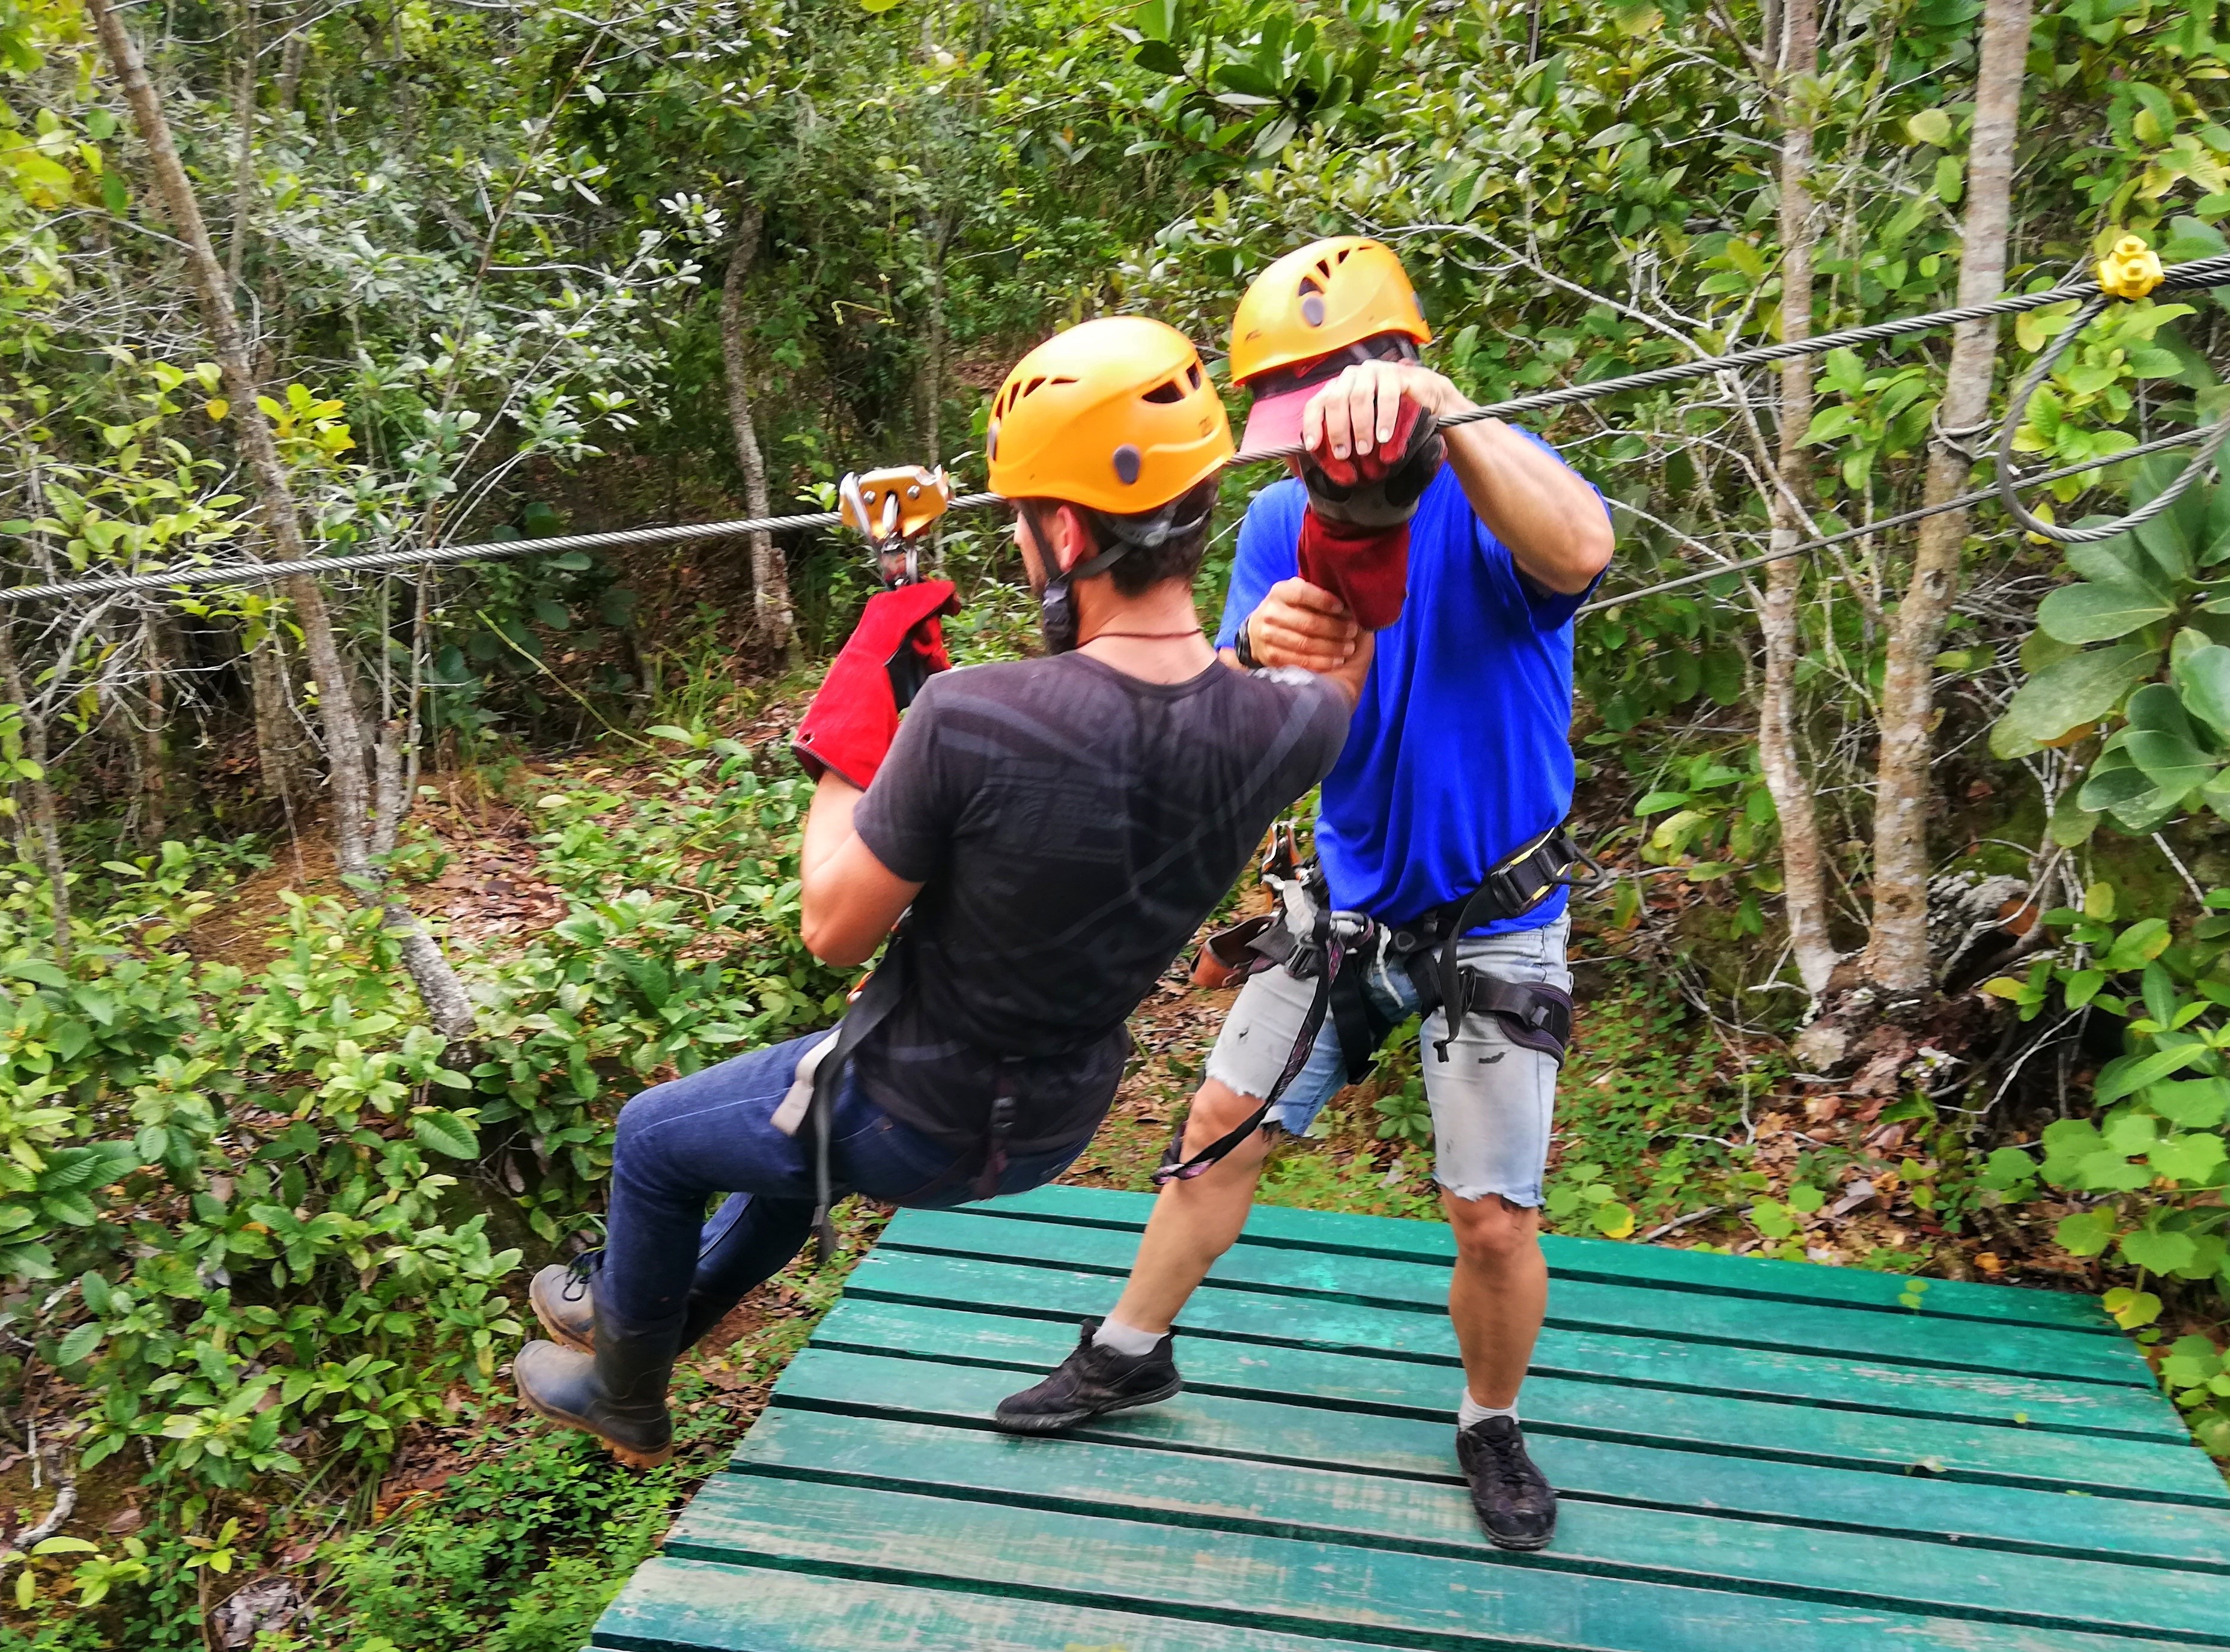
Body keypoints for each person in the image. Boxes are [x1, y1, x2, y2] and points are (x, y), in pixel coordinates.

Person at [511, 315, 1361, 1465]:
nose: (1016, 543)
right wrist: (1319, 577)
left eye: (1018, 522)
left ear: (1063, 530)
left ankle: (624, 1380)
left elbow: (833, 926)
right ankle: (639, 1326)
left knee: (655, 1140)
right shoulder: (1292, 724)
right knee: (784, 1148)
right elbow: (1201, 710)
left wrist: (850, 739)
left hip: (920, 1114)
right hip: (1057, 1121)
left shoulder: (973, 718)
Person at [994, 237, 1617, 1553]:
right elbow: (1225, 701)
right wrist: (1253, 649)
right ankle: (1128, 1350)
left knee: (1491, 1216)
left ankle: (1488, 1423)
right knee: (1220, 1123)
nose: (1312, 448)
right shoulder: (1280, 520)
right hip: (1342, 906)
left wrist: (1441, 415)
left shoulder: (1497, 488)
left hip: (1497, 916)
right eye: (1289, 423)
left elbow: (1582, 549)